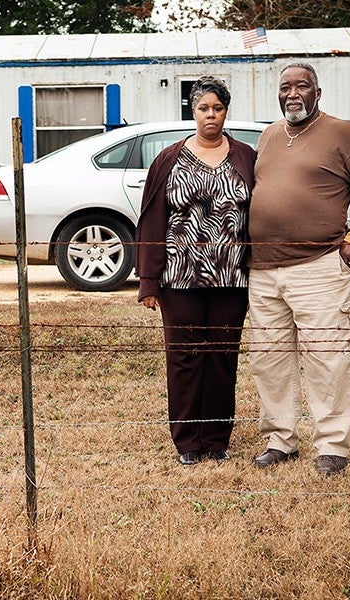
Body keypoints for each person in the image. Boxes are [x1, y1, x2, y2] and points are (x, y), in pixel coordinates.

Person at [248, 62, 350, 475]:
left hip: (318, 266)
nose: (292, 93)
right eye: (285, 87)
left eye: (302, 86)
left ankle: (332, 445)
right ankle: (280, 440)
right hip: (263, 271)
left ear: (318, 92)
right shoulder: (269, 136)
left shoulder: (342, 133)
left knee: (327, 357)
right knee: (269, 359)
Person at [136, 76, 257, 465]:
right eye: (204, 108)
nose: (211, 115)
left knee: (222, 356)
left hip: (231, 277)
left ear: (226, 111)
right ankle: (188, 442)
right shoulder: (169, 159)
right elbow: (152, 219)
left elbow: (259, 211)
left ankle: (217, 438)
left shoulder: (244, 157)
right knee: (185, 357)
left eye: (217, 108)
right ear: (193, 111)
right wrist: (149, 280)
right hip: (180, 278)